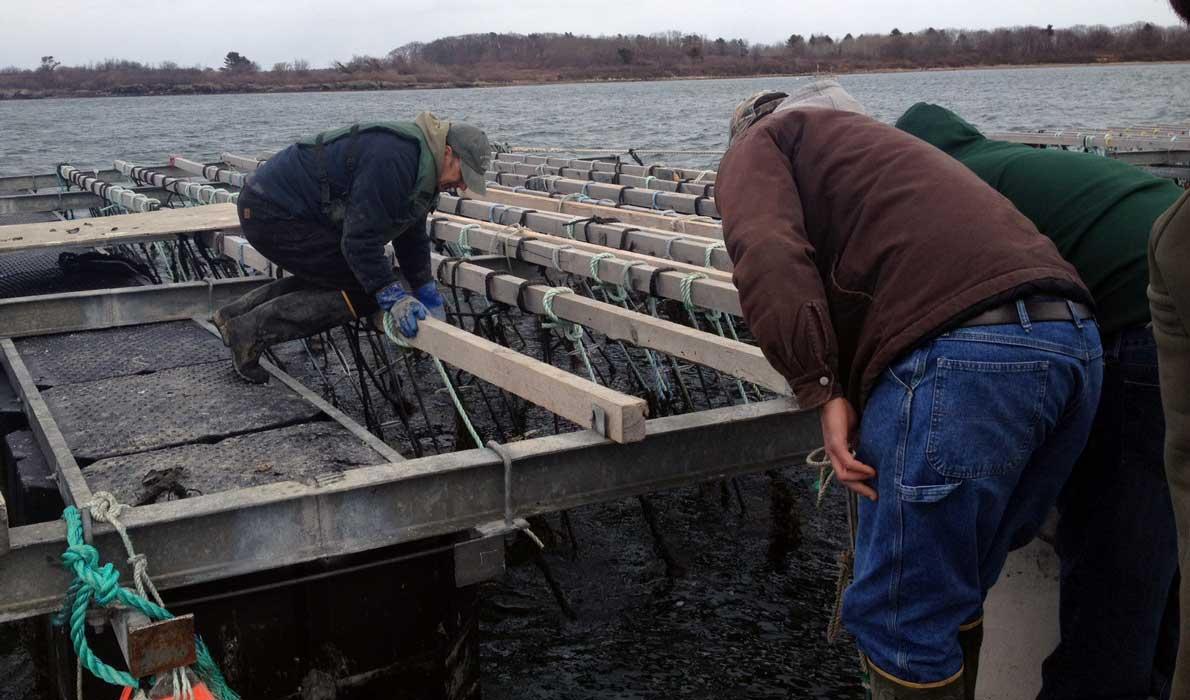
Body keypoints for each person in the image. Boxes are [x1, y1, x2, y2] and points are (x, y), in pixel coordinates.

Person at [716, 79, 1103, 699]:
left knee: (901, 619)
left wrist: (820, 384)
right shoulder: (891, 150)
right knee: (954, 588)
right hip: (1075, 344)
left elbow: (766, 249)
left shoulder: (762, 141)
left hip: (967, 360)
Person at [896, 102, 1184, 700]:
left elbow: (960, 334)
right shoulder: (1016, 164)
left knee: (1113, 547)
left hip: (1145, 314)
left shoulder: (948, 189)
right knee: (1163, 537)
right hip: (1169, 281)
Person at [213, 113, 491, 383]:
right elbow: (358, 242)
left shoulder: (419, 162)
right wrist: (391, 296)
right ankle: (249, 333)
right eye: (462, 173)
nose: (462, 184)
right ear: (448, 152)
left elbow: (410, 233)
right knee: (364, 291)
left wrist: (423, 287)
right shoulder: (395, 160)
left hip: (277, 207)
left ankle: (233, 315)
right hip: (272, 214)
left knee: (342, 273)